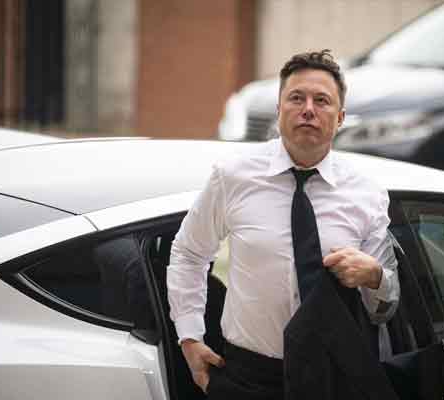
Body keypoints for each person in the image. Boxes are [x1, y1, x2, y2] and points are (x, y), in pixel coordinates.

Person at [167, 49, 400, 399]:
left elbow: (386, 302)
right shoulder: (233, 176)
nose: (308, 109)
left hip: (333, 378)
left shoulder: (367, 194)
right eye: (296, 98)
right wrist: (189, 337)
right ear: (279, 110)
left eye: (322, 100)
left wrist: (374, 276)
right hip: (247, 376)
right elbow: (188, 253)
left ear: (340, 118)